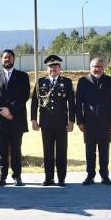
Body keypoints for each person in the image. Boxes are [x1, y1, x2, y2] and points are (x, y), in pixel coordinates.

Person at [0, 49, 31, 186]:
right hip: (0, 119)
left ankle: (17, 176)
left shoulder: (22, 76)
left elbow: (24, 95)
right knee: (2, 151)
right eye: (5, 57)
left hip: (16, 119)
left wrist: (10, 110)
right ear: (1, 60)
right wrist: (2, 111)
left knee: (16, 150)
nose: (7, 59)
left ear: (14, 59)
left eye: (10, 57)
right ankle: (2, 176)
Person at [31, 55, 75, 186]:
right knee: (48, 151)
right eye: (51, 66)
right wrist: (33, 120)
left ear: (60, 68)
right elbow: (34, 102)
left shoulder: (66, 82)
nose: (53, 68)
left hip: (62, 123)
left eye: (56, 66)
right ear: (47, 68)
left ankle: (61, 178)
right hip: (45, 123)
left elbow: (72, 103)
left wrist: (72, 121)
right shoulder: (40, 82)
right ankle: (48, 177)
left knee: (61, 151)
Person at [76, 57, 111, 185]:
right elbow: (78, 103)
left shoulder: (110, 81)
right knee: (90, 151)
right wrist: (80, 121)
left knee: (104, 151)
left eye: (100, 66)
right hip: (88, 123)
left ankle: (105, 176)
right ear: (90, 67)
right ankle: (90, 175)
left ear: (104, 67)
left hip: (105, 122)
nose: (97, 69)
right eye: (95, 66)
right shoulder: (83, 81)